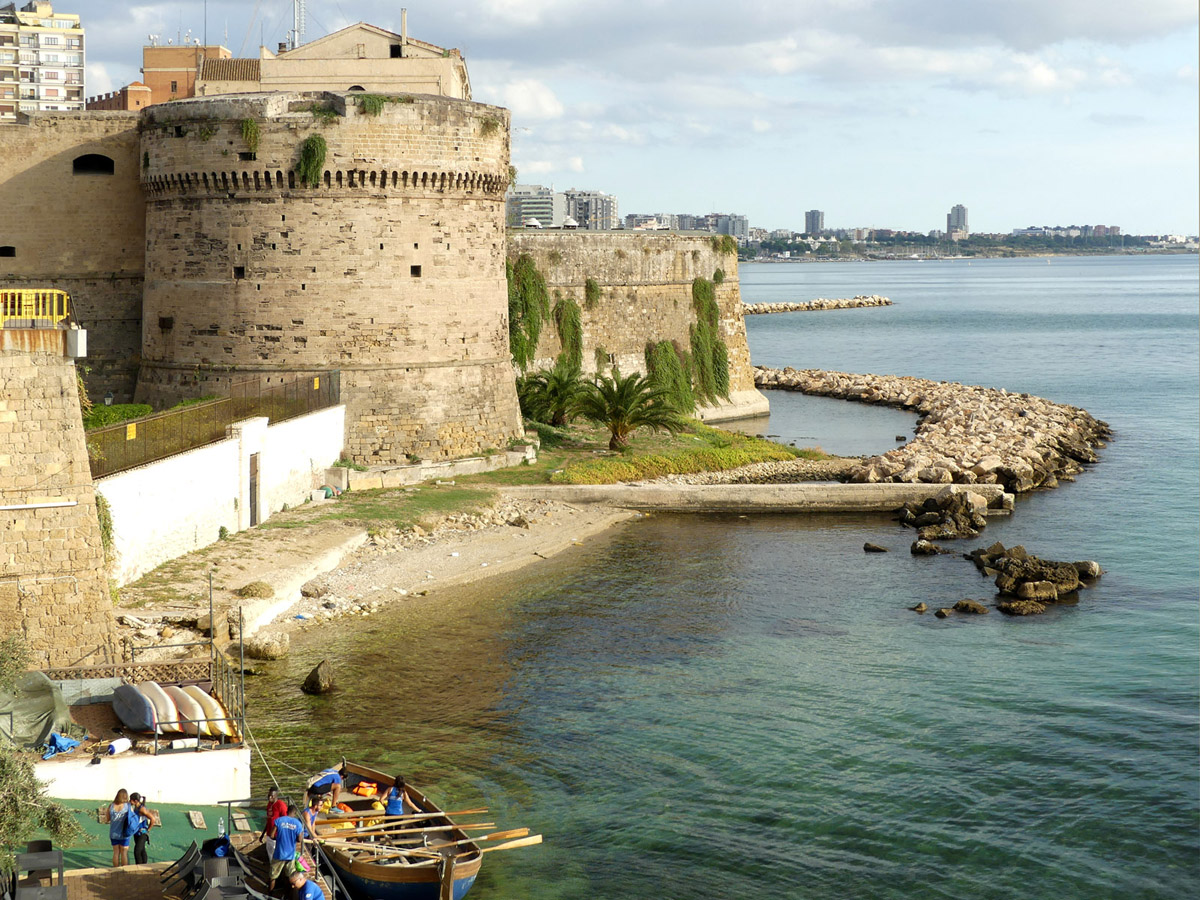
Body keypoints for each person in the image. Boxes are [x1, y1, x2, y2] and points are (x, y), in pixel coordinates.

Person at [267, 803, 304, 895]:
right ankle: (287, 895)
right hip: (290, 855)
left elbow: (271, 835)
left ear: (287, 811)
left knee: (273, 876)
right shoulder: (298, 824)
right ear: (295, 813)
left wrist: (278, 838)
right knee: (290, 877)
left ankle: (270, 894)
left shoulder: (279, 820)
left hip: (279, 854)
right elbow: (299, 839)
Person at [260, 786, 287, 859]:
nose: (269, 798)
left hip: (277, 836)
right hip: (269, 835)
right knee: (270, 854)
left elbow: (285, 821)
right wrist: (263, 834)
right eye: (269, 795)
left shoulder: (281, 805)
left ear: (276, 795)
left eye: (272, 796)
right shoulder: (269, 804)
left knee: (277, 856)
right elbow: (269, 820)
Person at [128, 792, 155, 864]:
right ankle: (144, 865)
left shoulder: (142, 809)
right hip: (136, 832)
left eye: (131, 800)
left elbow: (153, 819)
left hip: (142, 833)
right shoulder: (136, 807)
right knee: (142, 850)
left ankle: (139, 866)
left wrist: (148, 830)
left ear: (135, 801)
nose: (130, 801)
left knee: (137, 851)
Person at [108, 788, 130, 867]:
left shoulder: (111, 806)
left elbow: (107, 819)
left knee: (116, 852)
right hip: (124, 833)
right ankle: (124, 870)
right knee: (124, 852)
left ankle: (115, 869)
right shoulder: (127, 806)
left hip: (113, 833)